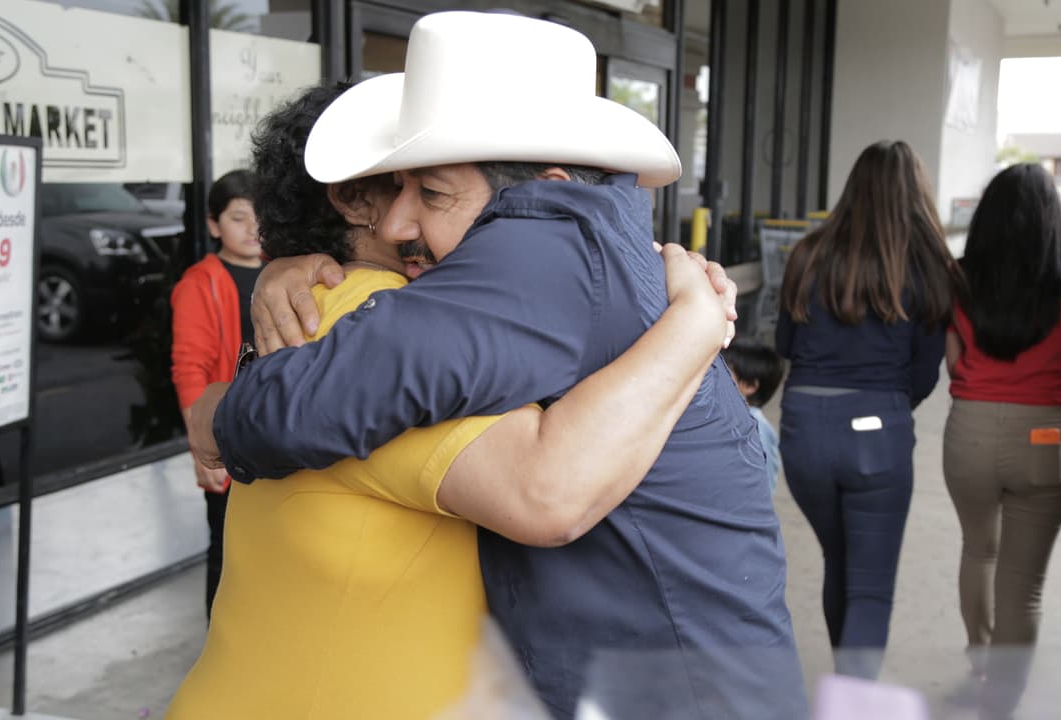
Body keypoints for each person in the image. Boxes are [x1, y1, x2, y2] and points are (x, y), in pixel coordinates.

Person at [188, 12, 807, 719]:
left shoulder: (538, 254)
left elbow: (306, 406)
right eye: (401, 188)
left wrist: (214, 421)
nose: (400, 223)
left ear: (541, 186)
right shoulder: (597, 246)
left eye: (434, 192)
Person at [775, 140, 961, 679]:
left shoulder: (807, 254)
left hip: (804, 426)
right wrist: (885, 411)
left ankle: (847, 688)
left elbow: (786, 345)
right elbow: (925, 375)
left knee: (841, 562)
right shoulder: (928, 267)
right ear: (916, 194)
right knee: (870, 588)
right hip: (878, 429)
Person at [942, 163, 1061, 716]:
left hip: (969, 429)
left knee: (977, 549)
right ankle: (1003, 698)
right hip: (1043, 435)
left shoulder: (959, 278)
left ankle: (979, 662)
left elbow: (954, 363)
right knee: (1023, 581)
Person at [168, 168, 262, 619]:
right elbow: (190, 368)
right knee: (227, 554)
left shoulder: (286, 272)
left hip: (277, 435)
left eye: (260, 216)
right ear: (213, 225)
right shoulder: (199, 283)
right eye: (238, 218)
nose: (253, 229)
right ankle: (222, 651)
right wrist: (200, 444)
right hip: (228, 438)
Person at [723, 337, 786, 492]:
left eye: (724, 372)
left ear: (750, 386)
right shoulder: (725, 417)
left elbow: (764, 485)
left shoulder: (756, 429)